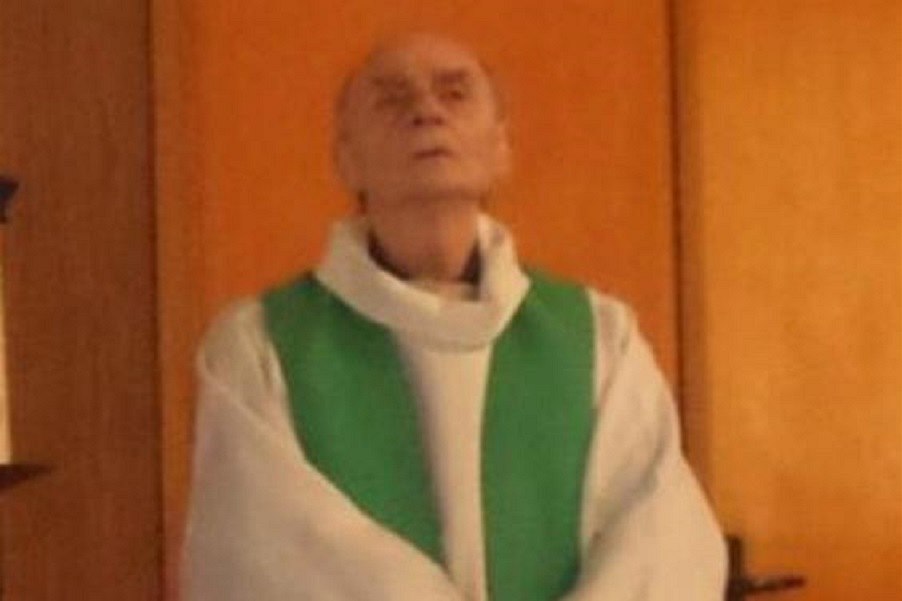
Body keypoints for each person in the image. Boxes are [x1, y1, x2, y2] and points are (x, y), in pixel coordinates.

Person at [182, 33, 727, 601]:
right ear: (345, 158)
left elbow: (661, 541)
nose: (426, 111)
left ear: (501, 147)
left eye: (454, 93)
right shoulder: (261, 346)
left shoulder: (599, 338)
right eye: (392, 98)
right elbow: (265, 554)